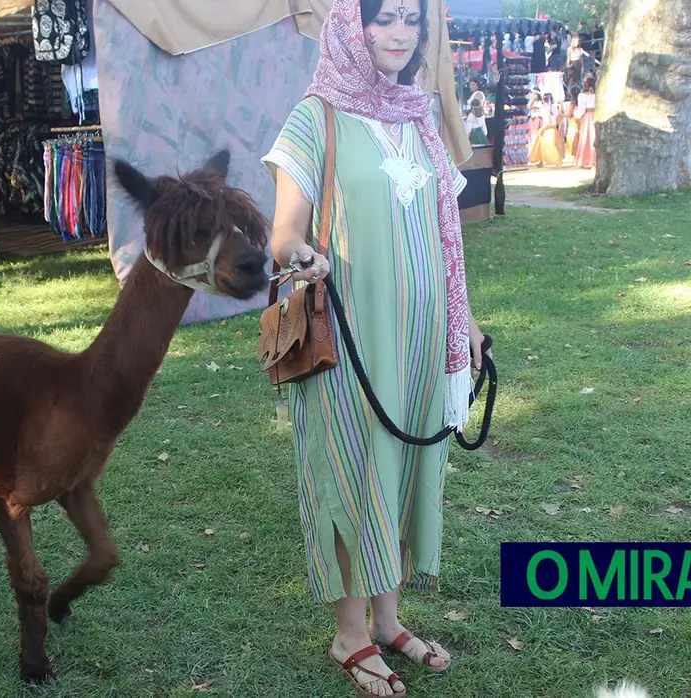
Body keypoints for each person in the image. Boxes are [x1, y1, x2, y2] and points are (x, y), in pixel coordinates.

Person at [261, 0, 487, 695]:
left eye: (409, 20)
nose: (397, 33)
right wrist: (301, 254)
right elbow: (282, 235)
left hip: (423, 343)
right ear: (349, 26)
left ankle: (388, 621)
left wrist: (469, 324)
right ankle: (350, 635)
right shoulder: (315, 117)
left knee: (405, 468)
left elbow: (450, 236)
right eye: (382, 17)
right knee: (352, 472)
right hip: (351, 342)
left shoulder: (421, 115)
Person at [574, 77, 597, 169]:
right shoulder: (596, 95)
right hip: (596, 115)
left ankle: (585, 159)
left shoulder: (582, 96)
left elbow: (582, 109)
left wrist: (576, 115)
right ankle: (594, 159)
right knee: (593, 136)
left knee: (586, 137)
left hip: (587, 116)